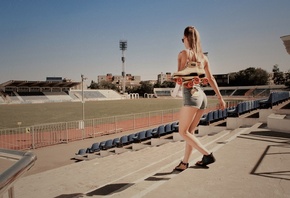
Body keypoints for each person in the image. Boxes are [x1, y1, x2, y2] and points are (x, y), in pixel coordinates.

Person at [173, 26, 226, 171]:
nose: (182, 41)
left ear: (186, 38)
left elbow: (179, 78)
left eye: (182, 39)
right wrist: (220, 98)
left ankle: (207, 155)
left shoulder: (183, 53)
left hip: (191, 96)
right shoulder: (204, 57)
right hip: (202, 97)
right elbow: (211, 78)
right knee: (190, 132)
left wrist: (176, 70)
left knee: (183, 132)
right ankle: (184, 163)